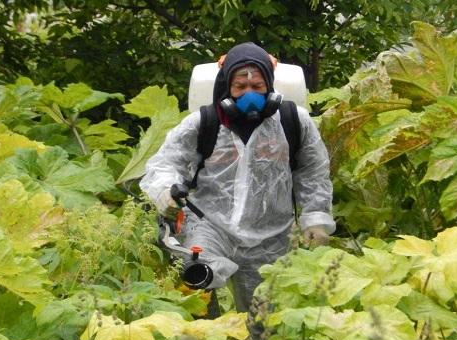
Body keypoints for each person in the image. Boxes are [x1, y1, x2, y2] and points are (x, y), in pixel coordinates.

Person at [140, 42, 335, 315]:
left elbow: (313, 172)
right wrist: (165, 192)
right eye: (240, 87)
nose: (249, 94)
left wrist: (315, 218)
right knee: (198, 282)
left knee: (264, 315)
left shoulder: (293, 121)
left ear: (269, 86)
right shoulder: (204, 122)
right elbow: (166, 163)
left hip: (272, 235)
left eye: (257, 87)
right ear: (226, 87)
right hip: (210, 225)